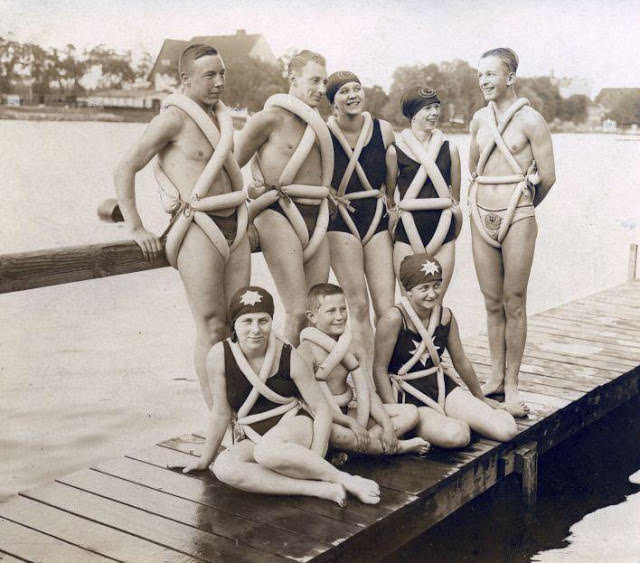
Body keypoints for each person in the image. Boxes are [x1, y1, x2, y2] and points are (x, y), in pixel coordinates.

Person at [114, 45, 250, 408]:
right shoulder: (172, 119)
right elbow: (124, 167)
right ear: (185, 80)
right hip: (197, 228)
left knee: (241, 322)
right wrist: (136, 228)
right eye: (210, 75)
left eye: (222, 74)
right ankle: (218, 418)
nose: (219, 82)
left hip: (235, 224)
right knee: (211, 324)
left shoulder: (222, 118)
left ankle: (245, 413)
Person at [177, 286, 381, 506]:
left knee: (268, 452)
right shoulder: (219, 355)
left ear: (271, 321)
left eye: (263, 321)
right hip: (253, 432)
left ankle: (347, 480)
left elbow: (321, 409)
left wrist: (316, 456)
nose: (255, 329)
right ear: (234, 324)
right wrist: (205, 460)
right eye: (247, 321)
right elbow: (220, 413)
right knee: (224, 467)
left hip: (295, 423)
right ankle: (317, 489)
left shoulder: (287, 355)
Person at [469, 48, 555, 416]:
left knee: (514, 300)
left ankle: (514, 384)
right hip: (480, 213)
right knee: (491, 302)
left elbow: (548, 176)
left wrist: (523, 207)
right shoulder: (477, 119)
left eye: (491, 74)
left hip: (517, 213)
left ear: (510, 77)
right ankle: (495, 378)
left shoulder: (532, 120)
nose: (485, 81)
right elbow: (474, 168)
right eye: (480, 75)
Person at [234, 50, 334, 346]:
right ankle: (287, 381)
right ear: (293, 78)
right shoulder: (267, 120)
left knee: (319, 312)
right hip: (277, 213)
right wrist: (247, 196)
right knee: (297, 310)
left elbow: (320, 174)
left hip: (316, 217)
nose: (321, 89)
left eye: (325, 82)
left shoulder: (320, 128)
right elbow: (229, 168)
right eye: (314, 80)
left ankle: (310, 380)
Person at [373, 253, 518, 449]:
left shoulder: (445, 316)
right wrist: (395, 413)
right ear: (408, 291)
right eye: (423, 288)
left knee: (506, 430)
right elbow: (379, 369)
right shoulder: (394, 319)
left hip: (441, 386)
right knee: (458, 435)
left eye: (436, 285)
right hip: (409, 396)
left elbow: (461, 361)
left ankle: (487, 414)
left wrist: (480, 398)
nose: (432, 294)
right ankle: (450, 423)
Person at [297, 283, 430, 456]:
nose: (339, 316)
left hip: (348, 412)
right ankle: (397, 448)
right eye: (331, 311)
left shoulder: (353, 347)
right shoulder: (306, 351)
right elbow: (310, 402)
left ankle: (357, 447)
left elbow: (368, 392)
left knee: (411, 413)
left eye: (343, 309)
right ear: (312, 317)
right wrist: (351, 424)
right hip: (321, 416)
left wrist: (387, 426)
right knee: (337, 434)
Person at [324, 71, 396, 367]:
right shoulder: (322, 133)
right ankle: (366, 376)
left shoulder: (384, 129)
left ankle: (389, 373)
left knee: (387, 308)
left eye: (357, 88)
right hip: (341, 220)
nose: (353, 95)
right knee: (357, 305)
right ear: (333, 103)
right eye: (344, 91)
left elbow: (399, 174)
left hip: (376, 216)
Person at [387, 86, 462, 294]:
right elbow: (390, 199)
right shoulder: (394, 152)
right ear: (412, 114)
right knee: (409, 301)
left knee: (436, 300)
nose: (435, 113)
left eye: (437, 107)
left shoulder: (451, 150)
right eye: (428, 108)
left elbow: (455, 198)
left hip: (443, 234)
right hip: (407, 235)